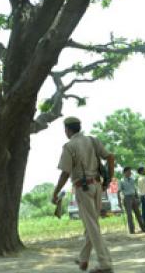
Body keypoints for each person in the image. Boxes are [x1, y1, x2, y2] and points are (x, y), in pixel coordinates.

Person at [52, 117, 115, 273]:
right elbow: (110, 157)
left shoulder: (69, 146)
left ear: (67, 130)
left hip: (83, 187)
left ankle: (104, 263)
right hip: (98, 186)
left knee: (92, 226)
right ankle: (83, 258)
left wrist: (55, 192)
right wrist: (108, 179)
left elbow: (65, 173)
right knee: (92, 224)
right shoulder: (92, 140)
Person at [120, 167, 145, 234]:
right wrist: (119, 201)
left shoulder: (132, 179)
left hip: (133, 197)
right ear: (125, 172)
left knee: (138, 213)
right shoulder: (121, 181)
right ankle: (132, 230)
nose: (130, 173)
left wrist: (137, 198)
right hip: (127, 198)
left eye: (130, 172)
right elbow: (119, 191)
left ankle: (143, 228)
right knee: (129, 215)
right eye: (128, 172)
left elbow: (135, 189)